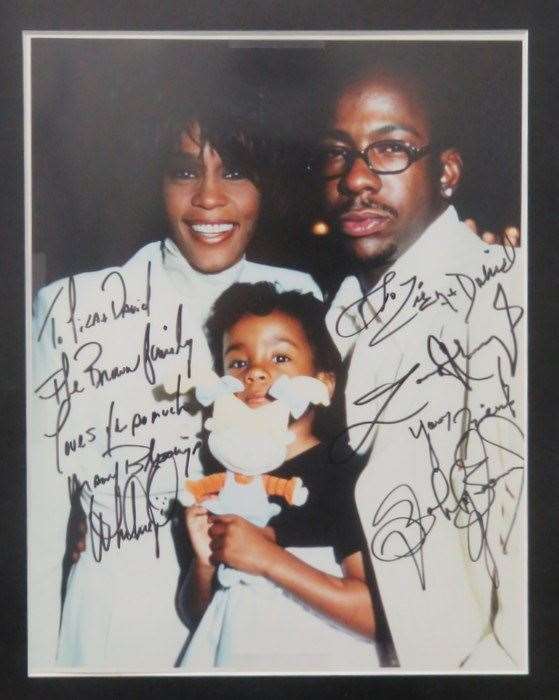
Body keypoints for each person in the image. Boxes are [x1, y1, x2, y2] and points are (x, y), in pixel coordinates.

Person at [28, 88, 321, 672]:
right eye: (184, 172)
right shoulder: (72, 307)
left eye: (235, 172)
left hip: (263, 620)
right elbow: (34, 521)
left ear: (267, 188)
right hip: (118, 628)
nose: (209, 198)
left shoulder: (302, 295)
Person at [316, 58, 525, 670]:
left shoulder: (504, 294)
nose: (355, 178)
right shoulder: (338, 314)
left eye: (390, 149)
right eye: (337, 154)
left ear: (448, 171)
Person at [179, 282, 378, 671]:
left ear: (324, 383)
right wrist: (204, 562)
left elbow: (374, 615)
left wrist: (268, 559)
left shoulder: (345, 474)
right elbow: (200, 616)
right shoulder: (228, 480)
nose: (255, 371)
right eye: (237, 363)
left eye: (281, 357)